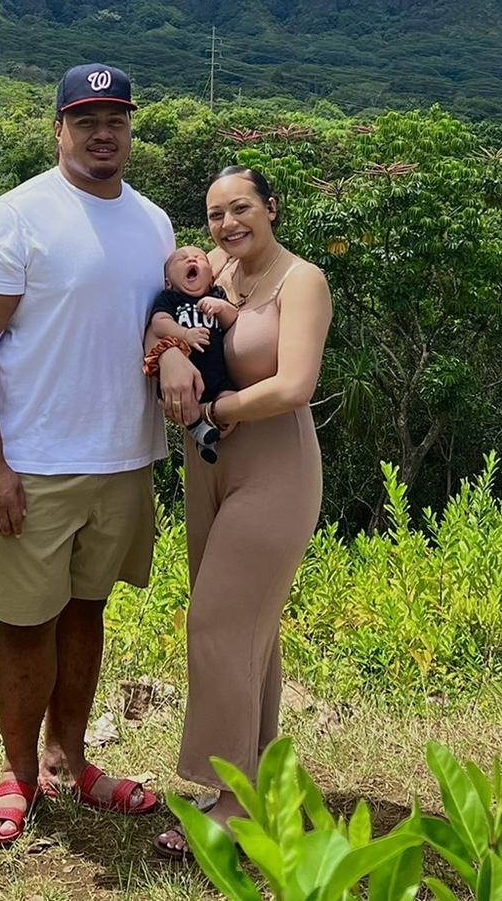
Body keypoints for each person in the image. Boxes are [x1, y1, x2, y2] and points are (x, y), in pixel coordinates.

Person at [0, 63, 174, 847]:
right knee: (23, 620)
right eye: (87, 120)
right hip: (34, 462)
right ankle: (16, 774)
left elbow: (160, 322)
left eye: (116, 119)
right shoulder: (18, 217)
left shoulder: (154, 223)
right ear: (59, 130)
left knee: (86, 610)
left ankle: (67, 761)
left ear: (130, 129)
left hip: (124, 457)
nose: (104, 133)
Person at [149, 165, 333, 861]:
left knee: (218, 622)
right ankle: (257, 780)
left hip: (274, 467)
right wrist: (170, 353)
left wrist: (220, 408)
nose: (228, 224)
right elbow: (167, 315)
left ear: (271, 207)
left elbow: (294, 385)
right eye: (216, 214)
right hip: (208, 468)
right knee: (250, 631)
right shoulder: (217, 271)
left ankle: (228, 801)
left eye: (242, 208)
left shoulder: (301, 280)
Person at [147, 245, 241, 463]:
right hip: (184, 380)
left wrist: (221, 307)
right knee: (184, 403)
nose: (191, 260)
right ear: (168, 281)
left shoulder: (217, 295)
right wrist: (184, 334)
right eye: (181, 259)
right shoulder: (170, 299)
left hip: (217, 378)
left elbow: (232, 319)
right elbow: (159, 323)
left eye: (199, 258)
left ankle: (209, 438)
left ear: (211, 278)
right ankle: (198, 429)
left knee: (231, 404)